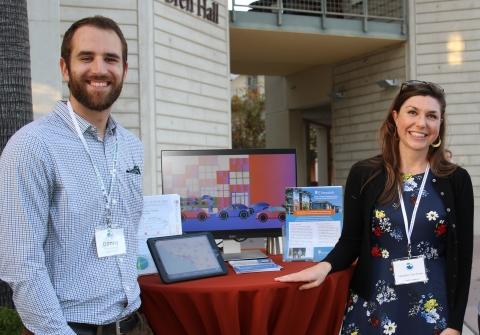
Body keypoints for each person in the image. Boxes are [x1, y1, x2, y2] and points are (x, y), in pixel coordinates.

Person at [276, 80, 473, 335]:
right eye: (412, 112)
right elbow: (350, 242)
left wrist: (455, 325)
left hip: (433, 311)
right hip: (373, 309)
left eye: (431, 116)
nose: (421, 123)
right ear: (395, 117)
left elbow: (463, 257)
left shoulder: (456, 180)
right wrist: (323, 267)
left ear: (440, 124)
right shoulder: (365, 174)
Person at [0, 16, 153, 335]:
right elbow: (20, 264)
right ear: (65, 68)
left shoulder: (130, 146)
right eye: (86, 57)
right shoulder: (32, 146)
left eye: (110, 59)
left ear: (124, 70)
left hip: (132, 323)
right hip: (66, 328)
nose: (99, 69)